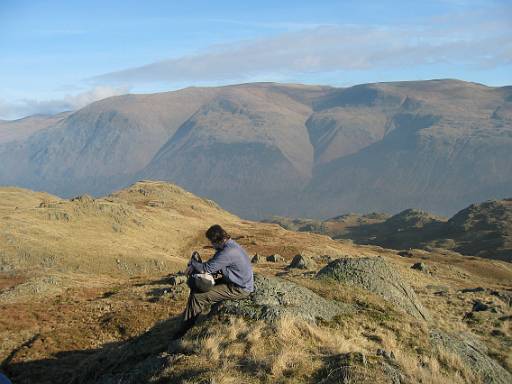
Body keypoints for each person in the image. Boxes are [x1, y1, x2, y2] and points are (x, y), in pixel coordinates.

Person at [175, 224, 254, 338]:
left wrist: (193, 263)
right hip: (234, 278)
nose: (212, 245)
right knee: (200, 283)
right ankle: (189, 315)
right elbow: (215, 265)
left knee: (197, 297)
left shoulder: (227, 252)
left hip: (239, 288)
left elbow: (207, 268)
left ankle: (184, 331)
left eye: (212, 242)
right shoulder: (230, 245)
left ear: (217, 240)